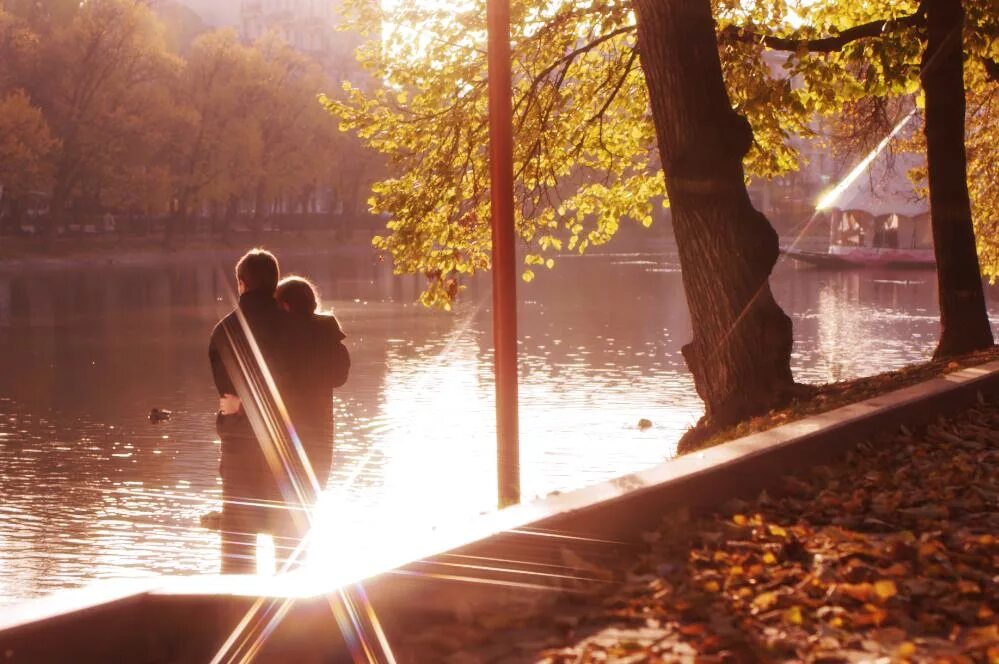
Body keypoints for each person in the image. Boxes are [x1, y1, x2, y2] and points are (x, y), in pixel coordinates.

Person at [210, 250, 350, 573]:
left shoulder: (225, 332)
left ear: (241, 284)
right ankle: (293, 619)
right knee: (293, 552)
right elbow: (334, 374)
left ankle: (230, 617)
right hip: (299, 456)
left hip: (242, 456)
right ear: (273, 283)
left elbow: (229, 396)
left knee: (238, 556)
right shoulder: (307, 331)